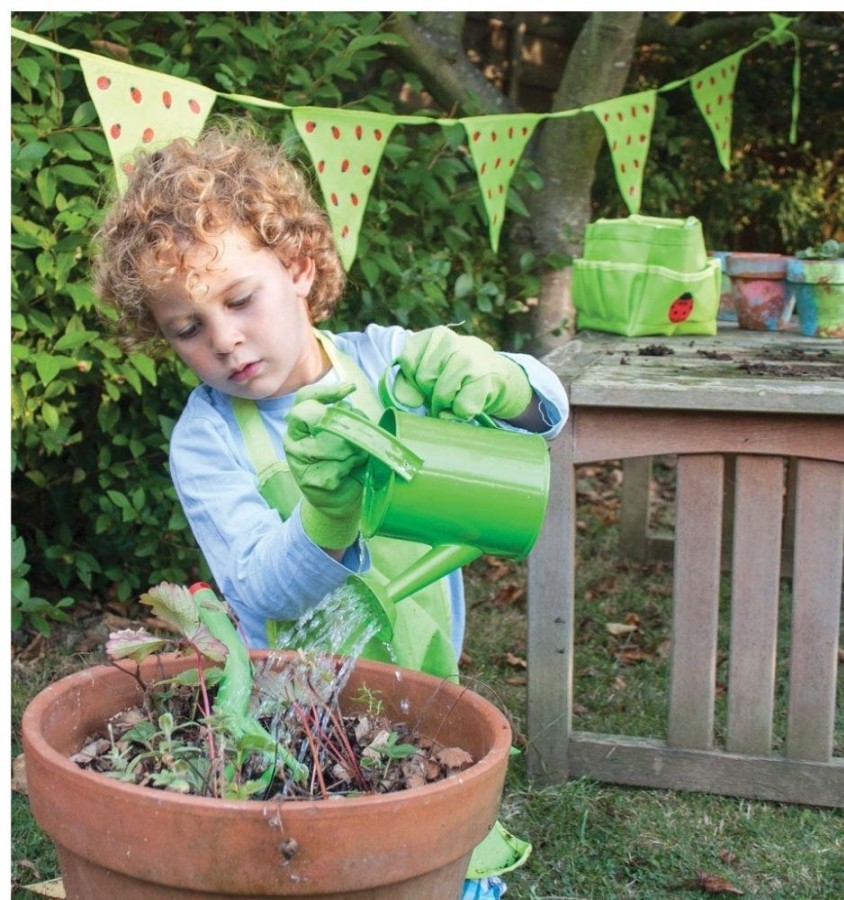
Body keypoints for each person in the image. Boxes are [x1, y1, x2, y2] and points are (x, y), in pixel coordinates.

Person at [92, 121, 569, 897]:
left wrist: (505, 382)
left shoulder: (388, 365)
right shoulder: (209, 441)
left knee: (424, 847)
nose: (226, 341)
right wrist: (324, 511)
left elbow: (549, 407)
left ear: (299, 268)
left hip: (427, 681)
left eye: (240, 300)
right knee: (317, 856)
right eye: (189, 328)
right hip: (296, 709)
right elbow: (255, 592)